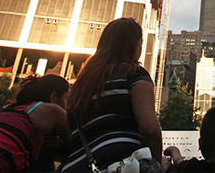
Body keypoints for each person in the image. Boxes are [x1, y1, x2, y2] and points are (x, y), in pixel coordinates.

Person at [61, 17, 163, 173]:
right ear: (133, 44)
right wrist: (157, 164)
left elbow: (71, 134)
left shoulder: (79, 86)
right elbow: (150, 130)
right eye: (140, 43)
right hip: (120, 164)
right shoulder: (134, 74)